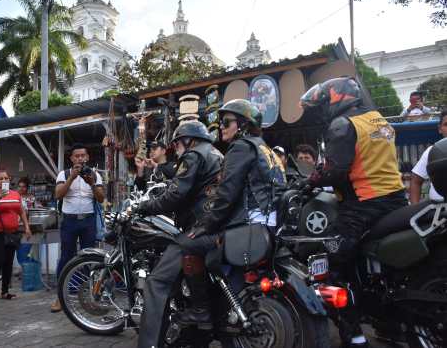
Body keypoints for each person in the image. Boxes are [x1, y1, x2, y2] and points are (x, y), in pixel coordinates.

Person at [300, 77, 407, 348]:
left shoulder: (342, 124)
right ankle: (390, 325)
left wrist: (309, 181)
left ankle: (354, 337)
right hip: (395, 200)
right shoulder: (379, 120)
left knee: (330, 267)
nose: (323, 110)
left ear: (337, 98)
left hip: (363, 205)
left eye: (324, 103)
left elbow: (336, 170)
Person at [177, 99, 285, 328]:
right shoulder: (265, 148)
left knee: (188, 244)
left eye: (226, 122)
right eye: (220, 122)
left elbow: (226, 194)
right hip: (269, 224)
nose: (221, 127)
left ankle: (201, 310)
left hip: (247, 225)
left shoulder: (242, 147)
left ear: (243, 126)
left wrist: (205, 225)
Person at [135, 121, 222, 348]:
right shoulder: (217, 153)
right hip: (219, 224)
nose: (176, 148)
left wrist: (145, 207)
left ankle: (149, 344)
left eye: (177, 143)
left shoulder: (194, 155)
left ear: (188, 139)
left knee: (157, 282)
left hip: (201, 227)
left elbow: (176, 194)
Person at [50, 144, 105, 313]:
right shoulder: (64, 174)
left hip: (88, 221)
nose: (80, 158)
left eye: (83, 155)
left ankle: (88, 295)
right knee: (67, 257)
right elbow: (58, 195)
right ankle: (60, 296)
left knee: (89, 258)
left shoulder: (95, 175)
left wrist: (92, 184)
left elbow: (101, 199)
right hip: (69, 221)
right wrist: (71, 178)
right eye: (77, 156)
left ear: (87, 157)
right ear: (71, 159)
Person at [0, 170, 32, 302]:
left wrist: (27, 227)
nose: (4, 180)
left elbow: (21, 211)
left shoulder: (16, 194)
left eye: (6, 178)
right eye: (1, 178)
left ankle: (5, 291)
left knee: (8, 262)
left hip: (12, 233)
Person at [410, 109, 447, 203]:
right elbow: (415, 181)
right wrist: (415, 211)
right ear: (440, 129)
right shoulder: (432, 151)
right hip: (437, 210)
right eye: (446, 125)